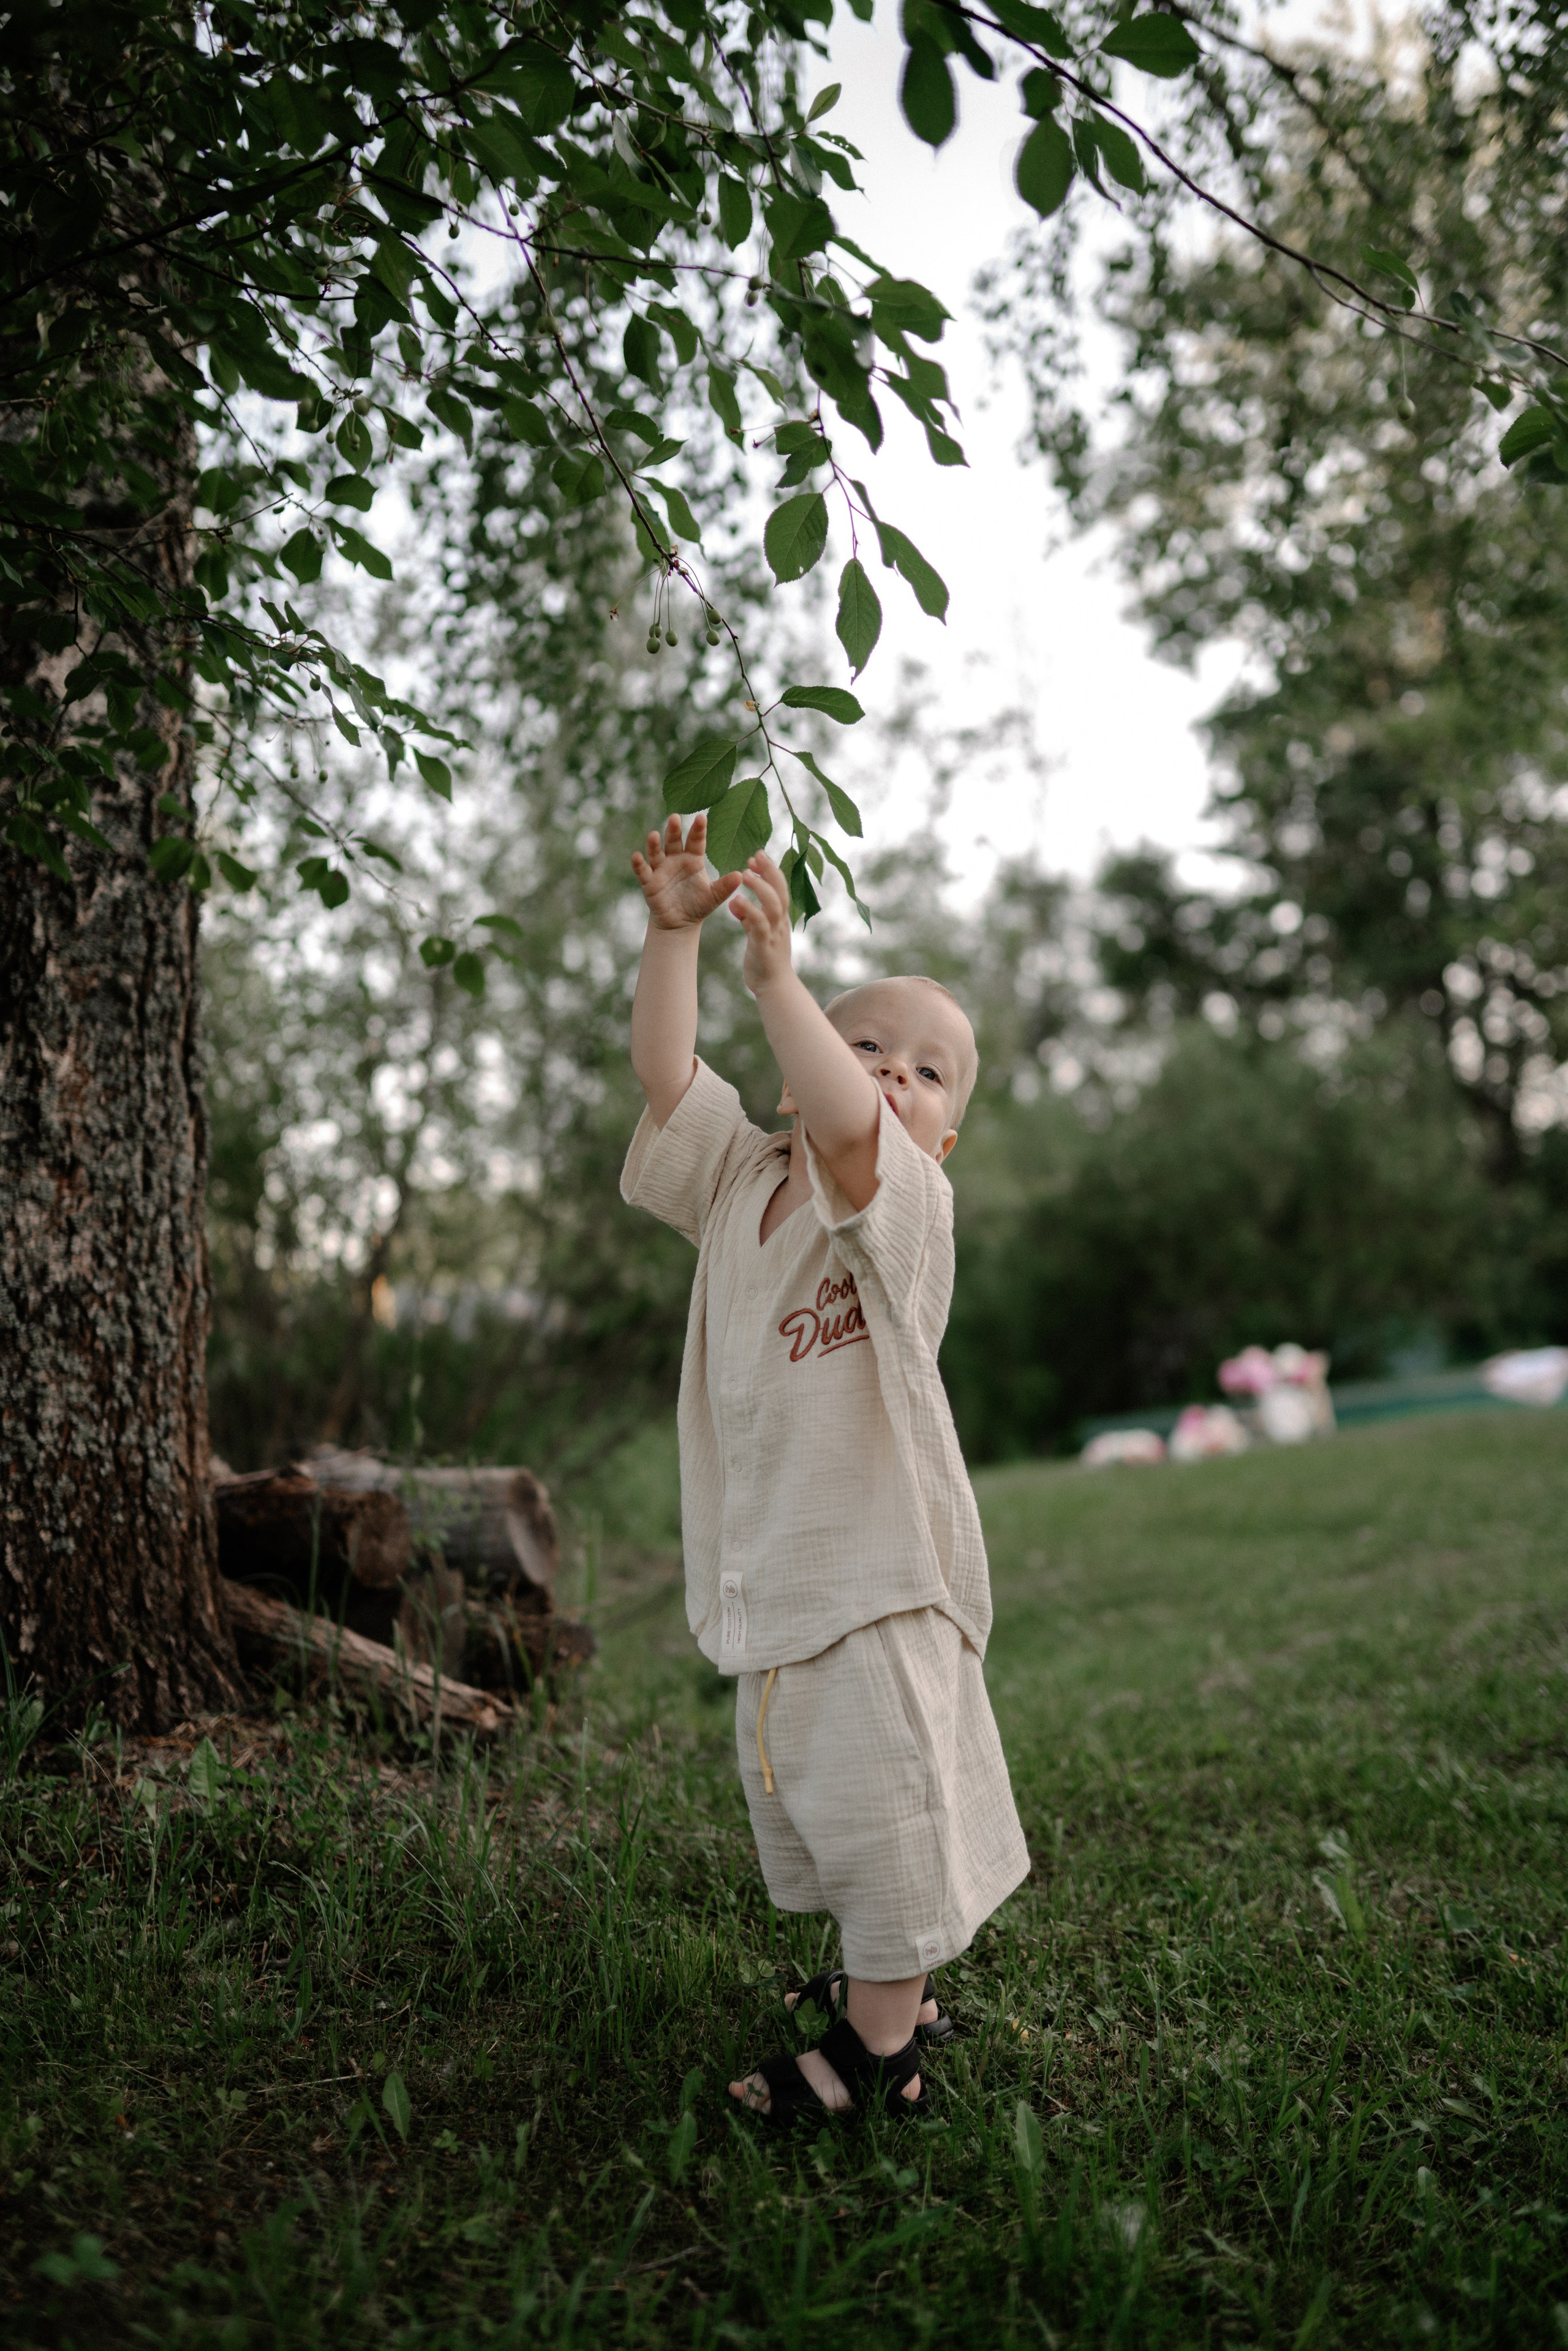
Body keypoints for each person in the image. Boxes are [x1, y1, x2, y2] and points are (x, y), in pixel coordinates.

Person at [622, 812, 1028, 2126]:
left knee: (886, 1809)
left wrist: (779, 980)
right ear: (791, 1080)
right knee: (821, 1803)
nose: (890, 1076)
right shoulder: (744, 1176)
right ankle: (882, 1989)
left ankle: (877, 2057)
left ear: (944, 1135)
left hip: (880, 1567)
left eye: (927, 1070)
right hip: (782, 1565)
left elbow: (857, 1136)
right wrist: (673, 935)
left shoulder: (902, 1209)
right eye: (864, 1050)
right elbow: (668, 1079)